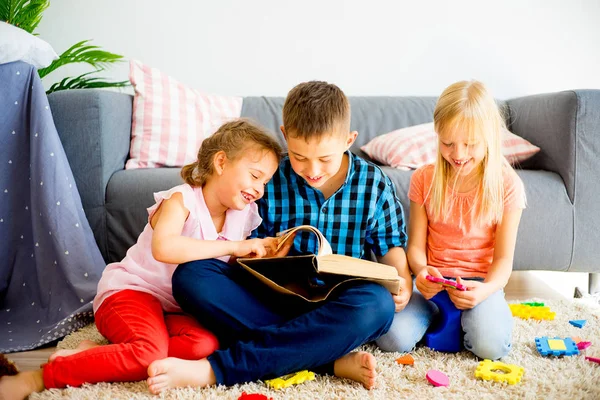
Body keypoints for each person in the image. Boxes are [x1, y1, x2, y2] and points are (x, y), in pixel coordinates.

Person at [145, 81, 415, 393]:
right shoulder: (269, 178)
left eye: (325, 159)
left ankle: (214, 371)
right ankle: (326, 358)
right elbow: (245, 248)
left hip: (338, 305)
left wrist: (403, 282)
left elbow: (391, 248)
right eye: (300, 156)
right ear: (285, 135)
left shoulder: (374, 184)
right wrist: (265, 255)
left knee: (377, 305)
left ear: (348, 140)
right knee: (192, 276)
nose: (312, 170)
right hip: (274, 300)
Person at [0, 119, 284, 400]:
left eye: (266, 182)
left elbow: (224, 271)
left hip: (175, 308)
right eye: (255, 176)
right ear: (221, 162)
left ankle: (97, 354)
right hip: (131, 293)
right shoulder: (181, 200)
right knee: (148, 352)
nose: (259, 188)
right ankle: (39, 378)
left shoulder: (244, 216)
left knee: (205, 346)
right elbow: (165, 248)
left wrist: (264, 256)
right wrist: (237, 246)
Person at [376, 80, 526, 360]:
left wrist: (485, 291)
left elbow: (504, 261)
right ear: (436, 134)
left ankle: (471, 319)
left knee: (490, 347)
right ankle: (443, 320)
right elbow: (416, 248)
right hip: (432, 282)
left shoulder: (508, 185)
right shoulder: (424, 178)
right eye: (448, 143)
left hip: (481, 284)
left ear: (489, 138)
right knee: (390, 338)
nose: (458, 154)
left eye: (470, 144)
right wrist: (421, 272)